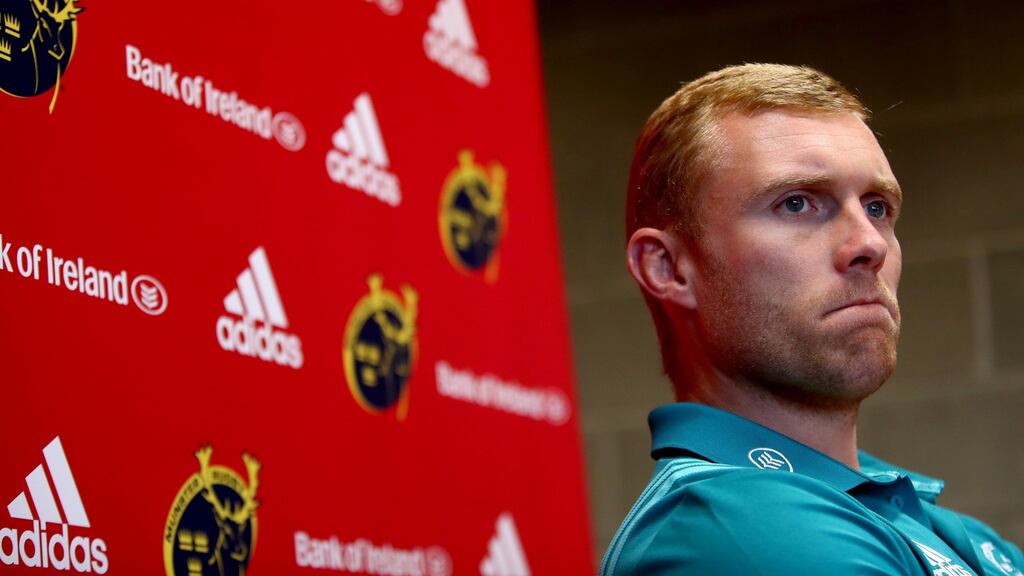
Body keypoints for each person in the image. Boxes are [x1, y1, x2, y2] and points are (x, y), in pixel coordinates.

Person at [600, 63, 1024, 575]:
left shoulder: (945, 530)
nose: (869, 244)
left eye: (877, 207)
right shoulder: (736, 528)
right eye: (797, 203)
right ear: (668, 269)